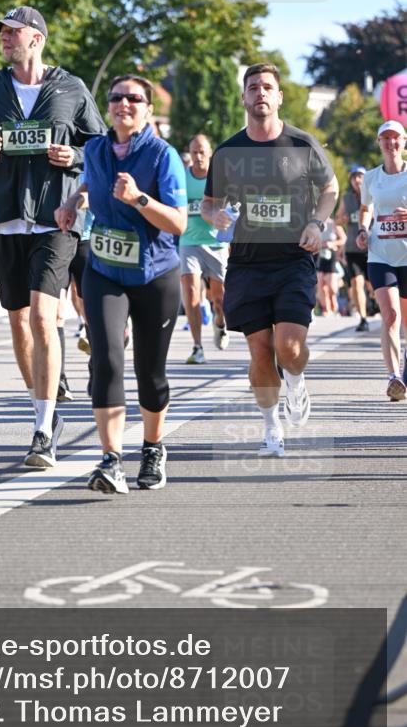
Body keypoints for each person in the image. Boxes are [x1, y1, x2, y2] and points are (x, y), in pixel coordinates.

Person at [0, 5, 106, 468]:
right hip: (3, 220)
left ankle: (43, 430)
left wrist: (73, 156)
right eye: (1, 32)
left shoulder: (71, 88)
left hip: (54, 219)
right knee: (19, 322)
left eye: (12, 32)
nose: (3, 38)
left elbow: (100, 148)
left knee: (43, 318)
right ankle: (44, 399)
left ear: (36, 38)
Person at [56, 74, 187, 494]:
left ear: (148, 109)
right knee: (106, 359)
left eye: (134, 99)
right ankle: (111, 459)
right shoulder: (95, 148)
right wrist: (74, 200)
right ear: (108, 107)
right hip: (106, 269)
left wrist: (139, 200)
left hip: (156, 274)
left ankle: (152, 447)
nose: (124, 104)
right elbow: (92, 182)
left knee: (150, 372)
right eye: (116, 98)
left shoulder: (163, 156)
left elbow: (180, 222)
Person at [202, 63, 338, 458]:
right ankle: (271, 429)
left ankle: (296, 381)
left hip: (293, 259)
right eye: (253, 87)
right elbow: (210, 206)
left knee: (289, 348)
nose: (260, 93)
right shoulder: (228, 152)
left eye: (267, 87)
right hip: (246, 264)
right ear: (244, 97)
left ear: (278, 97)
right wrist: (217, 216)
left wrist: (317, 222)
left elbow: (329, 188)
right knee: (261, 352)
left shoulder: (301, 144)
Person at [356, 120, 407, 401]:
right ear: (379, 143)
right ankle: (393, 377)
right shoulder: (371, 177)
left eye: (396, 138)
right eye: (385, 139)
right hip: (380, 254)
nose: (391, 144)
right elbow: (366, 209)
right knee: (390, 315)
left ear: (404, 141)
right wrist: (363, 229)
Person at [179, 133, 230, 364]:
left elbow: (231, 209)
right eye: (194, 152)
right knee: (190, 294)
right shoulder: (182, 177)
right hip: (189, 242)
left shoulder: (218, 178)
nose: (198, 157)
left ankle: (220, 321)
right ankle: (197, 346)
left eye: (202, 152)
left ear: (210, 153)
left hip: (216, 243)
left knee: (219, 300)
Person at [336, 166, 372, 331]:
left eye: (360, 176)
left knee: (376, 286)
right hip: (352, 247)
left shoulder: (374, 194)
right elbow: (337, 220)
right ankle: (363, 318)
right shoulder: (347, 198)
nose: (357, 180)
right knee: (356, 284)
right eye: (354, 177)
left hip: (373, 247)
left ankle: (377, 305)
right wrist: (345, 218)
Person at [315, 217, 346, 316]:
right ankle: (326, 308)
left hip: (331, 255)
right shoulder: (315, 224)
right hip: (319, 255)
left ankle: (333, 299)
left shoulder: (333, 223)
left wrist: (332, 243)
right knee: (320, 284)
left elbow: (343, 239)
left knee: (331, 286)